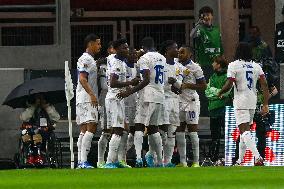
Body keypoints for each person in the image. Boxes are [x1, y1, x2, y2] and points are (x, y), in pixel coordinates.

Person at [218, 42, 269, 166]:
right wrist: (265, 104)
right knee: (244, 132)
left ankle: (258, 157)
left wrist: (220, 92)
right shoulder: (256, 66)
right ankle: (240, 161)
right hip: (253, 100)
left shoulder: (234, 65)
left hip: (241, 100)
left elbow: (230, 83)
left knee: (244, 130)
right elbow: (264, 85)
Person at [117, 37, 166, 167]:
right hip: (160, 96)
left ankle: (139, 158)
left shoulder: (144, 59)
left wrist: (129, 92)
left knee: (139, 126)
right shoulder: (162, 58)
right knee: (154, 129)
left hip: (147, 96)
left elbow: (146, 80)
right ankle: (160, 161)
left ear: (143, 47)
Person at [104, 38, 139, 168]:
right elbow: (113, 83)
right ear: (117, 49)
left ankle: (119, 160)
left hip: (116, 98)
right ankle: (109, 162)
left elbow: (105, 59)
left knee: (124, 129)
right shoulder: (118, 64)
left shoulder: (112, 58)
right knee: (118, 130)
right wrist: (130, 83)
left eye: (127, 47)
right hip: (115, 97)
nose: (127, 50)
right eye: (124, 48)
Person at [176, 46, 207, 167]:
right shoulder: (175, 65)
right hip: (179, 101)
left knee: (192, 131)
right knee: (179, 131)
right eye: (178, 52)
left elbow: (203, 86)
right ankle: (183, 161)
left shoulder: (195, 67)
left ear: (190, 55)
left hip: (191, 102)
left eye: (182, 52)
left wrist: (188, 85)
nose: (179, 54)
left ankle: (196, 161)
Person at [76, 33, 101, 169]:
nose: (99, 46)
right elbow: (82, 78)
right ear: (90, 44)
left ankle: (81, 161)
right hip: (87, 98)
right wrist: (92, 94)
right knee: (91, 126)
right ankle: (83, 161)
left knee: (84, 130)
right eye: (98, 43)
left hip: (82, 98)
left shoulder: (89, 59)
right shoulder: (86, 58)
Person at [158, 40, 183, 167]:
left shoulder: (178, 66)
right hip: (164, 100)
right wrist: (169, 84)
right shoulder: (161, 64)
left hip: (175, 101)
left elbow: (180, 86)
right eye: (175, 48)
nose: (177, 50)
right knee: (162, 131)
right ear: (167, 50)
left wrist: (175, 82)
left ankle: (167, 161)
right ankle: (157, 158)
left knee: (172, 132)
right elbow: (158, 84)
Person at [20, 94, 60, 166]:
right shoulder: (30, 108)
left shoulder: (49, 107)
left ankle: (40, 155)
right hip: (31, 131)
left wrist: (46, 107)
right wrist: (33, 107)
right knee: (25, 134)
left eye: (41, 99)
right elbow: (23, 118)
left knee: (39, 134)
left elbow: (56, 118)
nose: (39, 101)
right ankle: (30, 155)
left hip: (44, 132)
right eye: (37, 99)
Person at [205, 56, 231, 162]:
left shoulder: (228, 77)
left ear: (219, 65)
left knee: (227, 136)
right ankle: (214, 159)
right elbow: (207, 92)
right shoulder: (212, 76)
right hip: (213, 110)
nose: (212, 64)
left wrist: (214, 92)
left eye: (214, 62)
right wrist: (218, 93)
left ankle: (229, 159)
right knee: (214, 137)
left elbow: (226, 93)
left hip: (223, 109)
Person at [97, 41, 116, 168]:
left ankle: (116, 159)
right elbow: (104, 85)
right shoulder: (103, 64)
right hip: (105, 99)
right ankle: (100, 161)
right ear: (109, 49)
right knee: (107, 131)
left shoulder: (122, 62)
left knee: (120, 131)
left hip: (118, 99)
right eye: (115, 48)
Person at [191, 6, 223, 80]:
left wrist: (222, 61)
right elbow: (192, 35)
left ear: (212, 16)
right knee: (206, 87)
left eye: (208, 15)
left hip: (217, 64)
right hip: (205, 64)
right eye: (204, 15)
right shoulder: (200, 30)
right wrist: (198, 24)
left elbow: (221, 46)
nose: (206, 17)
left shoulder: (217, 30)